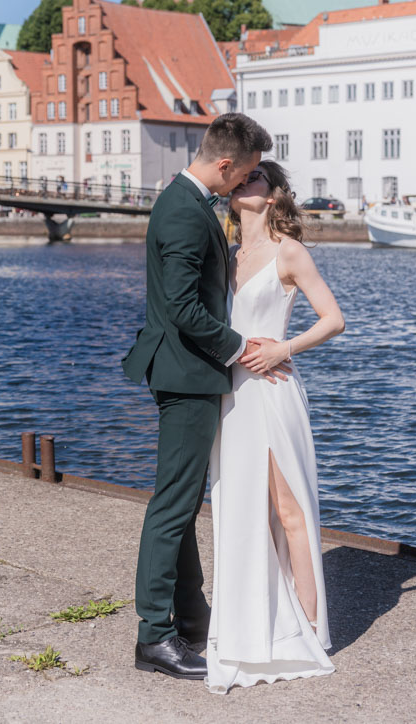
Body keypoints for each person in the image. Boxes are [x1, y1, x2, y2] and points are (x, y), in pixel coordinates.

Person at [122, 112, 273, 681]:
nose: (245, 183)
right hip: (187, 375)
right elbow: (185, 308)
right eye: (248, 172)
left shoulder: (183, 202)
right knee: (172, 508)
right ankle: (154, 636)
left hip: (183, 372)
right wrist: (239, 348)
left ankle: (190, 616)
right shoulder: (185, 213)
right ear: (227, 163)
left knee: (179, 504)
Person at [206, 159, 344, 693]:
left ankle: (310, 629)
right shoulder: (228, 254)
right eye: (239, 177)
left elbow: (333, 319)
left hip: (272, 391)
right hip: (232, 398)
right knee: (244, 512)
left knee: (289, 510)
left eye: (255, 177)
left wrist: (283, 348)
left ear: (272, 194)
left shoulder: (289, 251)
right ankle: (257, 619)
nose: (244, 182)